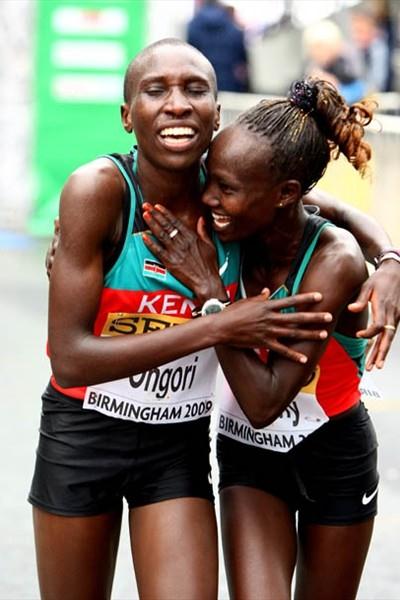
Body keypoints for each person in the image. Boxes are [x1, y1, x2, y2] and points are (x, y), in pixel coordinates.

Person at [39, 39, 400, 599]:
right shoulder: (110, 191)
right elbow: (69, 356)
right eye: (156, 90)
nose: (178, 103)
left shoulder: (238, 199)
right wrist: (219, 321)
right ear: (127, 116)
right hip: (86, 437)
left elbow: (319, 207)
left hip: (181, 447)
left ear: (215, 115)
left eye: (195, 90)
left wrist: (390, 257)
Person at [141, 78, 395, 599]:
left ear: (285, 196)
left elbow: (264, 400)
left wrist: (215, 299)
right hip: (249, 457)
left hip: (334, 458)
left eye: (227, 188)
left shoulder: (333, 261)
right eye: (212, 179)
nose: (209, 196)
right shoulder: (236, 222)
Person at [187, 0, 249, 92]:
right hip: (229, 83)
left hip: (203, 82)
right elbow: (242, 60)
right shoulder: (232, 25)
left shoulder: (193, 26)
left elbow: (190, 57)